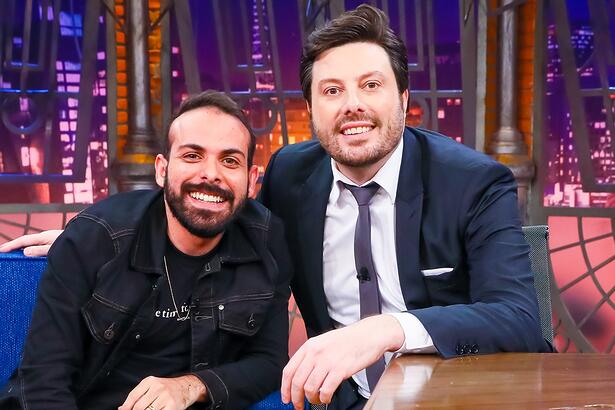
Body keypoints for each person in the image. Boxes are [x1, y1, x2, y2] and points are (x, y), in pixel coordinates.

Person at [1, 5, 553, 410]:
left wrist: (387, 329)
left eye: (371, 85)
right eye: (332, 90)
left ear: (404, 100)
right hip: (346, 403)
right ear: (311, 108)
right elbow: (217, 206)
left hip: (467, 397)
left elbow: (519, 319)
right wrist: (98, 238)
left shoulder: (474, 181)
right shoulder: (292, 174)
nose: (353, 105)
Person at [0, 91, 292, 410]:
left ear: (250, 181)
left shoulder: (266, 240)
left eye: (230, 160)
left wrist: (192, 386)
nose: (211, 174)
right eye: (192, 156)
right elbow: (43, 380)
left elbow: (269, 361)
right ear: (162, 170)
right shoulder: (95, 239)